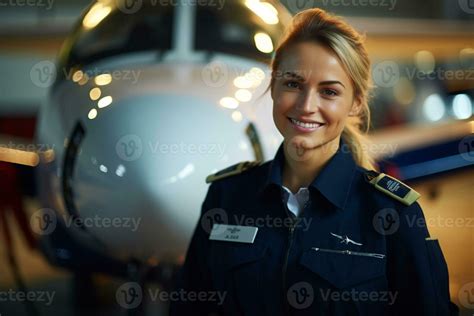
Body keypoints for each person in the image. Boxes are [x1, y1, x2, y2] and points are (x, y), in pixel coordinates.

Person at [169, 8, 458, 316]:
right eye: (293, 84)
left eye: (329, 91)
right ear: (274, 86)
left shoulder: (391, 213)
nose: (307, 106)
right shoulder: (226, 198)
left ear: (356, 102)